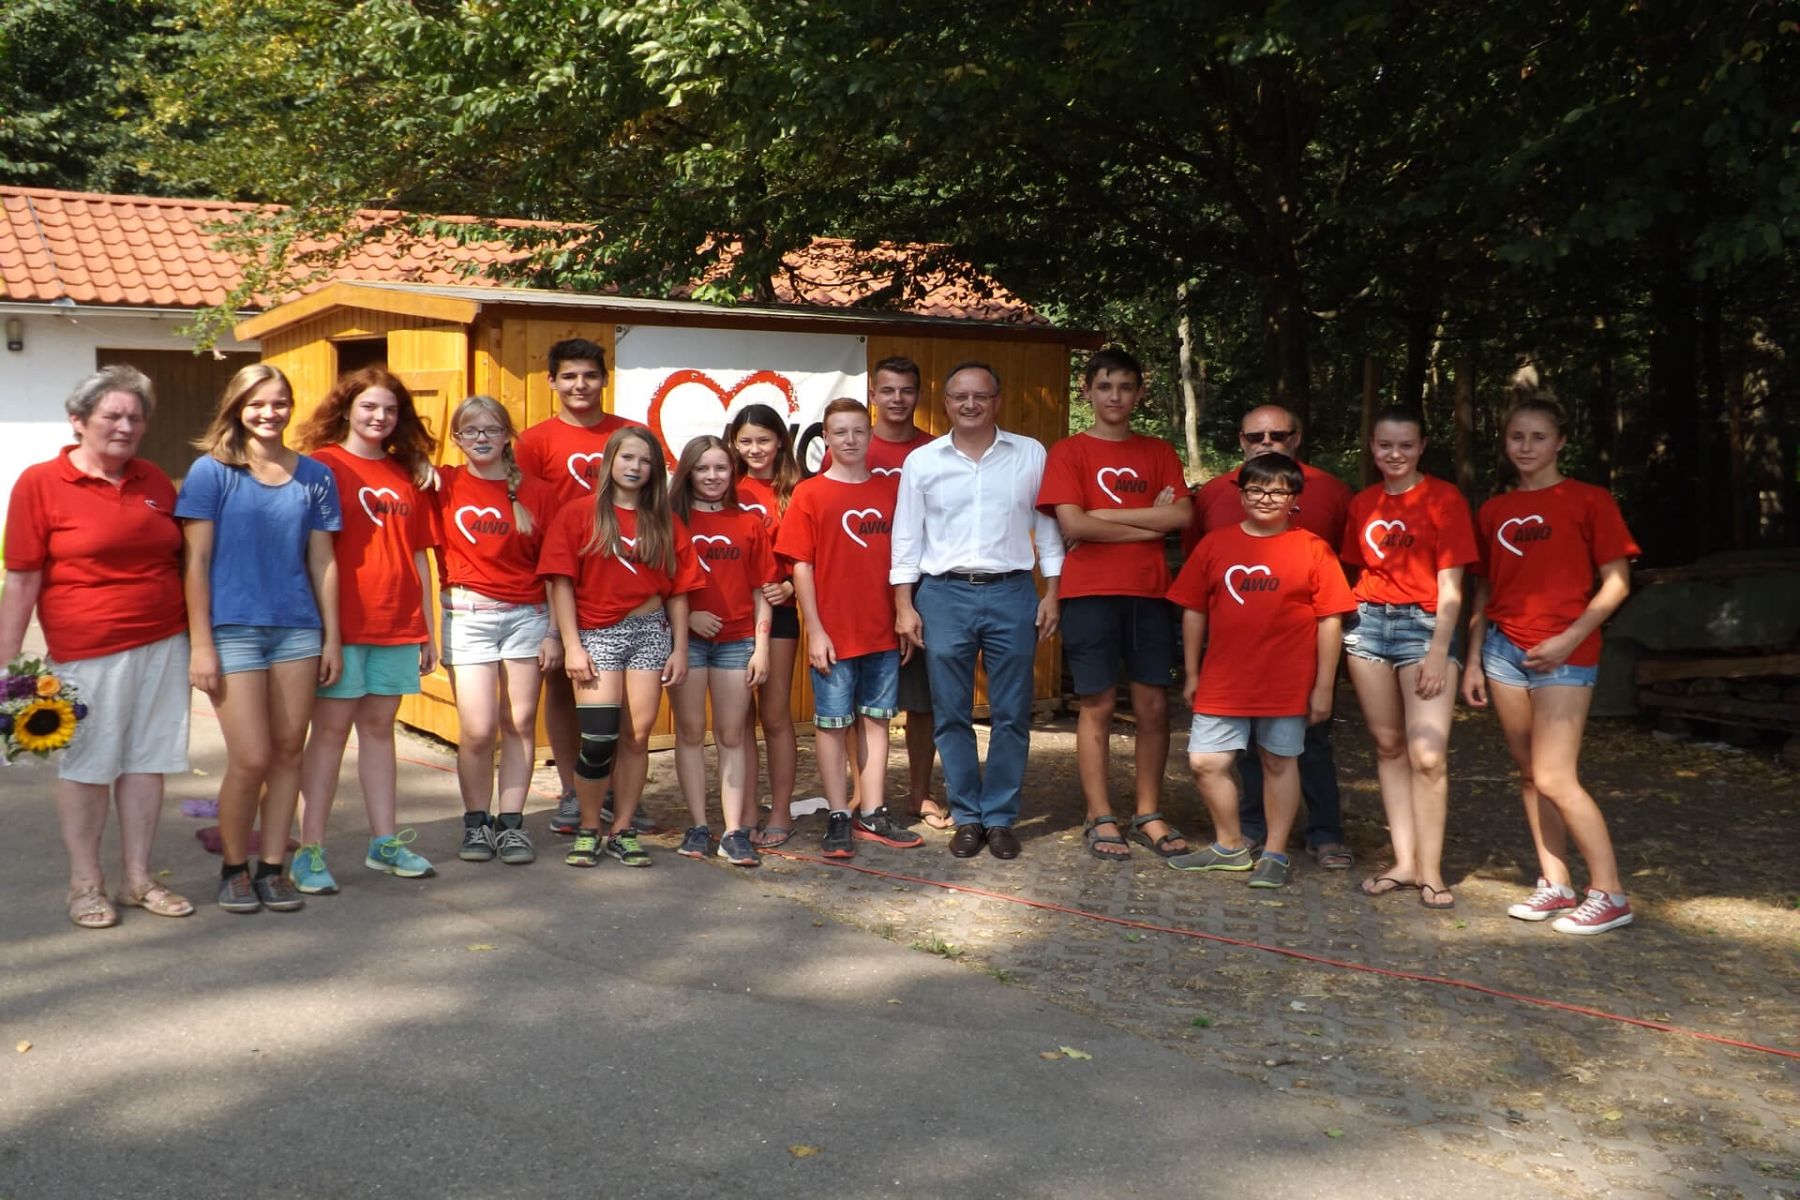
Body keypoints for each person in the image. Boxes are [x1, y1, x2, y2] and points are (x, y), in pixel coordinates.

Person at [0, 365, 194, 928]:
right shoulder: (40, 483)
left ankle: (138, 879)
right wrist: (8, 662)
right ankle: (85, 884)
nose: (126, 425)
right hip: (88, 647)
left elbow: (178, 560)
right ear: (78, 420)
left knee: (147, 761)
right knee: (89, 766)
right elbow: (22, 579)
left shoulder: (155, 480)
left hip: (164, 641)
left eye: (136, 417)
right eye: (112, 415)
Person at [1462, 394, 1639, 934]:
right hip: (1503, 653)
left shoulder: (1589, 500)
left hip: (1566, 653)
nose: (1526, 447)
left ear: (1560, 442)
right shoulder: (1493, 510)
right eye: (1517, 437)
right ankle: (1556, 883)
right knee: (1529, 775)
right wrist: (1472, 658)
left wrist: (1569, 638)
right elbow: (1486, 589)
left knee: (1556, 776)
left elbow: (1617, 583)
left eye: (1538, 437)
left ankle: (1609, 894)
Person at [176, 364, 342, 914]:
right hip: (233, 630)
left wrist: (332, 638)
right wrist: (201, 645)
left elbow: (323, 561)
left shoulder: (316, 475)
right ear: (237, 406)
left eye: (279, 402)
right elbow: (195, 563)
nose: (269, 413)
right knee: (251, 756)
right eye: (257, 403)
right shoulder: (212, 472)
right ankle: (233, 866)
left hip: (298, 630)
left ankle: (272, 867)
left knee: (289, 750)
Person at [891, 361, 1063, 861]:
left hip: (1012, 591)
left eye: (980, 396)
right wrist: (904, 605)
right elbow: (906, 537)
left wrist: (1052, 591)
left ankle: (1001, 817)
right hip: (943, 594)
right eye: (960, 397)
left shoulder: (1029, 454)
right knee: (951, 712)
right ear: (945, 403)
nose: (970, 405)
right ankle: (967, 816)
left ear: (997, 401)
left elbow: (1048, 529)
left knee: (1011, 712)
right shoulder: (923, 462)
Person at [1165, 454, 1355, 889]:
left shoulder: (1313, 548)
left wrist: (1325, 687)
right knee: (1205, 762)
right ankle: (1230, 846)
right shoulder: (1215, 544)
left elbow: (1331, 620)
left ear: (1294, 498)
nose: (1266, 498)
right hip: (1224, 677)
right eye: (1256, 489)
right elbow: (1193, 609)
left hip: (1287, 679)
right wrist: (1191, 673)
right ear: (1242, 493)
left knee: (1278, 760)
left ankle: (1274, 852)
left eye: (1277, 491)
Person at [1038, 348, 1191, 861]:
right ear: (1087, 391)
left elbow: (1182, 518)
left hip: (1149, 592)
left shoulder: (1159, 450)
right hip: (1089, 594)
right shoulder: (1068, 451)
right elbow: (1073, 525)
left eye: (1125, 387)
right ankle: (1100, 814)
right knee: (1098, 705)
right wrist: (1150, 518)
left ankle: (1148, 811)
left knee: (1152, 706)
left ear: (1139, 394)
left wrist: (1106, 517)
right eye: (1105, 387)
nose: (1115, 397)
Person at [291, 368, 441, 889]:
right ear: (347, 409)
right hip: (341, 625)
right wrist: (323, 631)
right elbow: (310, 552)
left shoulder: (408, 475)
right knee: (329, 735)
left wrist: (427, 627)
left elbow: (419, 556)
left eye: (390, 410)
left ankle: (385, 842)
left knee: (380, 732)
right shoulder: (321, 466)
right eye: (369, 407)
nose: (379, 417)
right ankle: (309, 850)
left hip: (397, 623)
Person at [538, 426, 703, 869]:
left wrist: (680, 648)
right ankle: (590, 827)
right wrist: (571, 645)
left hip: (650, 630)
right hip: (596, 633)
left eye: (645, 461)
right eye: (628, 458)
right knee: (598, 739)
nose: (636, 467)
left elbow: (680, 591)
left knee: (637, 735)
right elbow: (560, 582)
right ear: (610, 461)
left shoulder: (663, 520)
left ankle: (623, 828)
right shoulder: (579, 514)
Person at [1340, 405, 1478, 909]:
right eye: (1384, 445)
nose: (1394, 454)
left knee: (1428, 755)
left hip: (1425, 629)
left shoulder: (1445, 499)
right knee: (1388, 746)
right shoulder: (1363, 503)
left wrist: (1441, 650)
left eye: (1405, 445)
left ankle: (1432, 871)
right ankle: (1404, 862)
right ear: (1372, 447)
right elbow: (1354, 574)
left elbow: (1452, 586)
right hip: (1368, 626)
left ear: (1421, 448)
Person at [778, 400, 925, 858]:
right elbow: (801, 567)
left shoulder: (889, 493)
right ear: (827, 437)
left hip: (882, 630)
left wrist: (903, 615)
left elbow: (904, 560)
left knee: (878, 720)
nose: (850, 440)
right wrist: (815, 629)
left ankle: (873, 811)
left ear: (870, 434)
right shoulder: (810, 493)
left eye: (858, 431)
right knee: (832, 724)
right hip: (834, 635)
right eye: (839, 432)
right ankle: (840, 813)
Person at [515, 339, 646, 836]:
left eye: (589, 375)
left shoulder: (628, 434)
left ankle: (616, 792)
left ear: (604, 379)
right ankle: (575, 790)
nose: (579, 385)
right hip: (561, 580)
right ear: (551, 381)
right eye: (568, 376)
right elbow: (524, 510)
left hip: (622, 580)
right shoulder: (535, 442)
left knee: (626, 703)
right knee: (567, 690)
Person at [434, 395, 560, 868]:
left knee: (521, 722)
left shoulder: (539, 492)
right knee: (478, 727)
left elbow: (553, 568)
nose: (482, 438)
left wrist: (554, 632)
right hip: (468, 616)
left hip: (527, 616)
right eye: (471, 431)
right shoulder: (444, 483)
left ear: (507, 435)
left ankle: (510, 824)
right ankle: (475, 821)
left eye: (491, 429)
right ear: (457, 439)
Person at [668, 435, 776, 868]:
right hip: (687, 644)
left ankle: (734, 831)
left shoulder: (748, 522)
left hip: (737, 643)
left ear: (732, 474)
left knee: (732, 735)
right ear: (688, 471)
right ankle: (697, 825)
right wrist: (689, 617)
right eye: (703, 468)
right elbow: (659, 584)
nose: (712, 476)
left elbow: (762, 589)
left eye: (720, 468)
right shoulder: (671, 521)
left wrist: (762, 646)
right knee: (691, 733)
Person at [728, 404, 804, 850]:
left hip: (780, 613)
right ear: (733, 443)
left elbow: (815, 554)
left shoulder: (798, 489)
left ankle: (779, 810)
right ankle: (747, 810)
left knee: (774, 716)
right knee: (738, 721)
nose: (755, 449)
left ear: (781, 441)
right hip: (732, 614)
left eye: (763, 440)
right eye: (746, 441)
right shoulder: (724, 485)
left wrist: (791, 586)